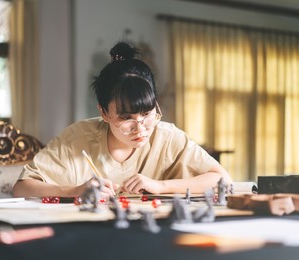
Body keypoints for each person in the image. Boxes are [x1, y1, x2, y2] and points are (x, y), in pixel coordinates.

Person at [12, 41, 233, 201]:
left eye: (147, 113)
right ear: (104, 113)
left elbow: (221, 179)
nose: (141, 128)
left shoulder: (167, 136)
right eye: (126, 118)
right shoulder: (77, 138)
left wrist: (159, 186)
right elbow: (21, 188)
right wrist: (74, 190)